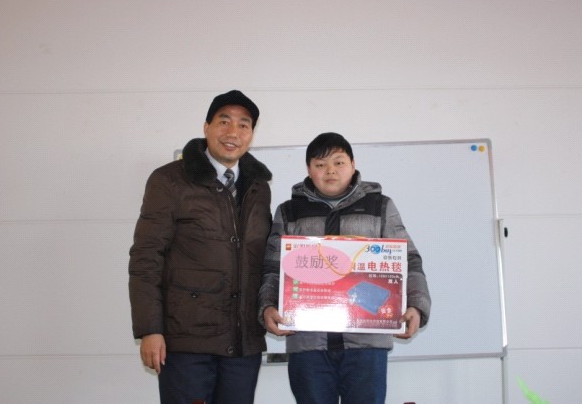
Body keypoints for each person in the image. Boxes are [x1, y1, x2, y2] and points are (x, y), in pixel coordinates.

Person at [259, 132, 431, 404]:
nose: (330, 171)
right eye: (320, 164)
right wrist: (267, 307)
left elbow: (409, 260)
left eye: (338, 162)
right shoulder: (289, 211)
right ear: (309, 170)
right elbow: (272, 267)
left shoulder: (380, 206)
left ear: (353, 165)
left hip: (367, 344)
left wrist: (417, 306)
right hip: (308, 343)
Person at [128, 90, 273, 404]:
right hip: (186, 343)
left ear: (251, 134)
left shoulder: (259, 188)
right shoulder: (169, 181)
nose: (233, 132)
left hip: (243, 345)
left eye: (244, 125)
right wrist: (150, 330)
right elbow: (146, 257)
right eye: (224, 121)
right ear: (207, 127)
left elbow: (265, 260)